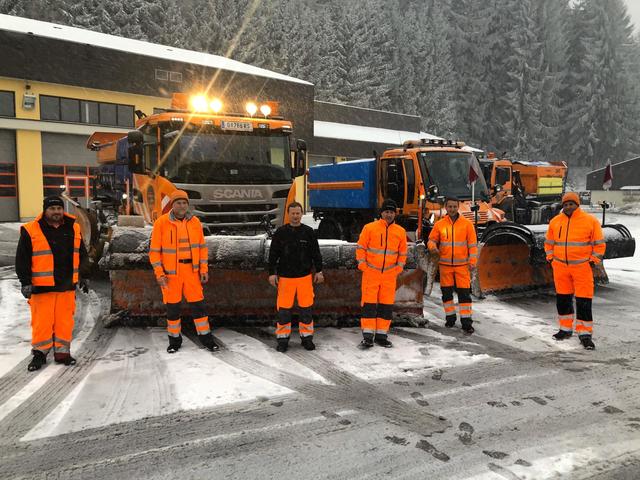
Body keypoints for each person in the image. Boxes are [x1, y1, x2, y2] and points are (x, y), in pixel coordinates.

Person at [15, 195, 90, 371]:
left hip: (66, 286)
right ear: (45, 210)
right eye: (52, 208)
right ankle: (40, 354)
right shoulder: (31, 229)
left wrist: (84, 276)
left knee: (64, 322)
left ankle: (63, 353)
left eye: (59, 208)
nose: (56, 212)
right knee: (42, 323)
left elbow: (82, 254)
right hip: (41, 287)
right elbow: (22, 258)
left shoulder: (73, 227)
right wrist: (25, 282)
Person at [149, 190, 219, 353]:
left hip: (192, 273)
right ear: (172, 205)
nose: (182, 206)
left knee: (199, 307)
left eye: (184, 203)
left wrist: (203, 269)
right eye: (178, 203)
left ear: (188, 205)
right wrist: (159, 273)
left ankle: (206, 339)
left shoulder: (195, 222)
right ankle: (174, 342)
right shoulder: (161, 223)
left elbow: (202, 248)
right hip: (170, 275)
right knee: (173, 310)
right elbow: (154, 252)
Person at [544, 192, 605, 350]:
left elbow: (599, 244)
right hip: (560, 268)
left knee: (583, 301)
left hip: (582, 267)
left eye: (571, 204)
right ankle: (565, 329)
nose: (568, 206)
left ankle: (584, 333)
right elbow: (549, 243)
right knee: (563, 300)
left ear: (577, 205)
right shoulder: (555, 221)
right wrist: (550, 258)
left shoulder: (590, 221)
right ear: (562, 206)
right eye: (565, 204)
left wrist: (593, 261)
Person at [268, 201, 323, 352]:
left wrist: (319, 271)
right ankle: (283, 340)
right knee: (284, 311)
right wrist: (272, 273)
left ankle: (307, 338)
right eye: (292, 213)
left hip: (304, 278)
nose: (295, 216)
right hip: (285, 279)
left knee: (306, 310)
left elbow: (316, 254)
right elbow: (273, 255)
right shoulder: (281, 233)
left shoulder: (309, 232)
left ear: (301, 214)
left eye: (298, 213)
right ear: (288, 214)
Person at [356, 198, 407, 349]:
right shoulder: (369, 228)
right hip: (371, 273)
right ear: (382, 213)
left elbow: (403, 253)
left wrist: (399, 268)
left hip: (390, 276)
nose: (389, 215)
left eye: (391, 212)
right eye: (386, 212)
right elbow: (361, 248)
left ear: (395, 214)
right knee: (369, 305)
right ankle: (368, 336)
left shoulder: (400, 232)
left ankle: (381, 335)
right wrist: (363, 265)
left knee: (386, 306)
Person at [427, 197, 478, 334]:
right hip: (445, 266)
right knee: (447, 294)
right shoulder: (440, 225)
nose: (452, 209)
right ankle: (450, 318)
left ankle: (466, 323)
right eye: (449, 207)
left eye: (454, 206)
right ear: (446, 207)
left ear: (458, 207)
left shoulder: (467, 225)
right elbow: (431, 240)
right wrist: (432, 247)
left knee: (464, 295)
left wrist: (472, 262)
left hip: (462, 266)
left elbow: (473, 246)